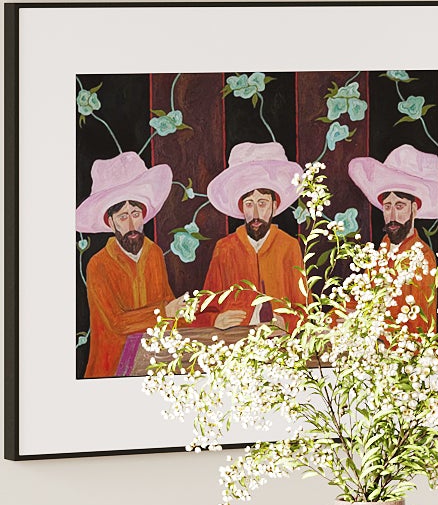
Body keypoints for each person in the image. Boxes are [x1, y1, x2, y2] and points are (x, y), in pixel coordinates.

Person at [75, 150, 185, 378]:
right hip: (111, 368)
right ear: (110, 221)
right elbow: (117, 322)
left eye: (136, 213)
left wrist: (211, 319)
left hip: (153, 363)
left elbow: (169, 302)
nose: (132, 224)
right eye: (123, 217)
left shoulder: (154, 253)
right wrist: (166, 311)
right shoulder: (98, 265)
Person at [193, 141, 307, 332]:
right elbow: (205, 308)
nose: (255, 213)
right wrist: (216, 320)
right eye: (248, 204)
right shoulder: (225, 248)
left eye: (262, 203)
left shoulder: (289, 246)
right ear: (241, 207)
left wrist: (285, 322)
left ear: (274, 206)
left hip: (279, 344)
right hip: (233, 342)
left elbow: (304, 310)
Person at [346, 144, 438, 332]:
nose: (392, 216)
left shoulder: (424, 258)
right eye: (387, 207)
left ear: (414, 209)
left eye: (400, 206)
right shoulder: (382, 249)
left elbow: (421, 326)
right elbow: (363, 298)